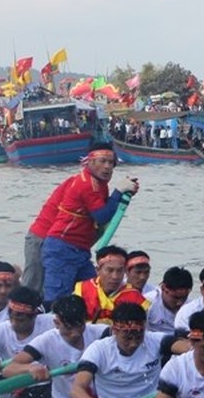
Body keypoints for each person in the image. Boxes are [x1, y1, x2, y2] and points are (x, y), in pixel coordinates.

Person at [39, 143, 139, 305]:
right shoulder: (87, 183)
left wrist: (122, 195)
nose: (107, 167)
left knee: (95, 293)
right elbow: (102, 216)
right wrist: (118, 192)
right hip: (62, 248)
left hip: (80, 250)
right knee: (57, 301)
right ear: (90, 162)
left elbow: (108, 208)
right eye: (102, 161)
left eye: (111, 163)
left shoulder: (99, 183)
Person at [3, 295, 108, 398]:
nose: (75, 334)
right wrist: (30, 368)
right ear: (57, 323)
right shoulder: (46, 341)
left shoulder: (100, 332)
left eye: (79, 326)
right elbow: (8, 369)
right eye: (68, 328)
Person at [70, 302, 163, 398]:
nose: (133, 344)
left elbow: (186, 347)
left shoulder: (156, 340)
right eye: (127, 337)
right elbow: (76, 390)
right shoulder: (99, 350)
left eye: (138, 337)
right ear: (114, 329)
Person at [74, 245, 148, 324]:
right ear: (98, 270)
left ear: (125, 271)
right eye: (110, 270)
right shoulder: (82, 290)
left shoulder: (135, 298)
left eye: (119, 271)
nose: (115, 277)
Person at [145, 266, 193, 335]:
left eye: (184, 298)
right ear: (163, 288)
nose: (180, 303)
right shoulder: (147, 301)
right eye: (175, 297)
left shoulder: (191, 308)